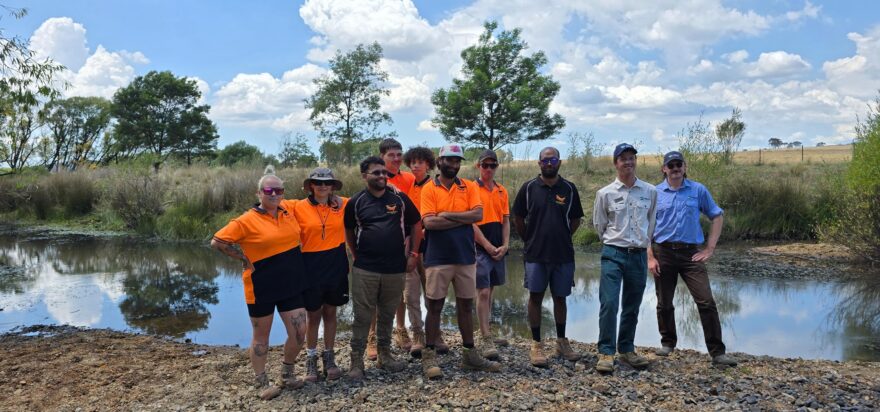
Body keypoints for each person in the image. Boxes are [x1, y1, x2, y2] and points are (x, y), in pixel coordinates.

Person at [211, 165, 310, 400]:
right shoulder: (245, 221)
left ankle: (287, 373)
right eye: (268, 190)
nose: (274, 194)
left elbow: (315, 200)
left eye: (278, 190)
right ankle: (260, 380)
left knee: (299, 332)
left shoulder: (288, 211)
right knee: (261, 337)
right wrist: (241, 258)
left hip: (291, 284)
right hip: (260, 286)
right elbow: (217, 242)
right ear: (259, 194)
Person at [648, 151, 737, 366]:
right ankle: (668, 343)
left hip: (691, 255)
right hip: (663, 252)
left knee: (706, 301)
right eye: (671, 165)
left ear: (685, 167)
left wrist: (710, 248)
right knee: (664, 302)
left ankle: (717, 352)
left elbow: (717, 215)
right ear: (664, 169)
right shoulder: (654, 193)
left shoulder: (698, 190)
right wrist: (650, 257)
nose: (676, 168)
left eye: (679, 164)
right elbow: (646, 227)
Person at [420, 144, 501, 379]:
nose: (454, 165)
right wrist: (461, 219)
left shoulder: (469, 186)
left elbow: (478, 215)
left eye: (457, 161)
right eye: (449, 160)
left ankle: (469, 354)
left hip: (465, 256)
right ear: (439, 161)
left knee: (466, 305)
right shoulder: (428, 188)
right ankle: (429, 355)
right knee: (434, 306)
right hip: (437, 257)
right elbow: (429, 224)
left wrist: (446, 215)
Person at [344, 156, 422, 380]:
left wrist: (414, 254)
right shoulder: (356, 202)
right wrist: (356, 254)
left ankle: (385, 355)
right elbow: (349, 231)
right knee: (362, 315)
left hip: (395, 268)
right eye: (375, 172)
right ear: (364, 176)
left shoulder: (398, 198)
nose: (381, 176)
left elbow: (416, 224)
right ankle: (356, 361)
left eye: (383, 172)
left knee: (387, 313)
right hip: (365, 268)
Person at [512, 147, 584, 367]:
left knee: (560, 297)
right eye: (545, 160)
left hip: (563, 254)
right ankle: (536, 344)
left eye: (553, 159)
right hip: (535, 254)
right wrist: (531, 239)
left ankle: (561, 341)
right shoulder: (528, 188)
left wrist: (561, 236)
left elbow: (575, 220)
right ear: (539, 163)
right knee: (535, 297)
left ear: (559, 162)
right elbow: (518, 218)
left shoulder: (569, 189)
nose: (549, 163)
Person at [592, 143, 657, 373]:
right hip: (613, 253)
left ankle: (627, 349)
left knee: (632, 304)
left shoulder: (650, 191)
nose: (628, 162)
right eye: (623, 159)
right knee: (609, 303)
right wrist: (615, 241)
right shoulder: (605, 193)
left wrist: (642, 244)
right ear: (615, 163)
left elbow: (651, 222)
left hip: (638, 255)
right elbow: (600, 225)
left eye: (632, 158)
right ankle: (606, 352)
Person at [292, 168, 348, 382]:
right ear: (311, 186)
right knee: (313, 314)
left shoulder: (342, 204)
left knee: (331, 312)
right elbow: (271, 204)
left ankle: (330, 356)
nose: (323, 186)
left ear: (333, 186)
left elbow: (367, 197)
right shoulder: (298, 206)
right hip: (310, 265)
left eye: (327, 183)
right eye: (318, 182)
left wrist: (391, 186)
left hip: (336, 263)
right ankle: (311, 358)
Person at [402, 146, 450, 357]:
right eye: (412, 162)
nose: (416, 165)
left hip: (432, 246)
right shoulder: (408, 186)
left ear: (429, 164)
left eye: (420, 162)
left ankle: (436, 333)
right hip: (411, 248)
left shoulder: (435, 186)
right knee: (411, 294)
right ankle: (418, 335)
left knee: (433, 293)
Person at [472, 149, 511, 360]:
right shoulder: (471, 188)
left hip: (498, 244)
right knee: (483, 291)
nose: (488, 169)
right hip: (479, 246)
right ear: (478, 166)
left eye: (492, 165)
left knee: (492, 289)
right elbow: (471, 223)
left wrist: (505, 244)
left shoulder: (502, 190)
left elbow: (505, 220)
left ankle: (487, 329)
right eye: (484, 165)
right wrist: (487, 246)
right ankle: (485, 336)